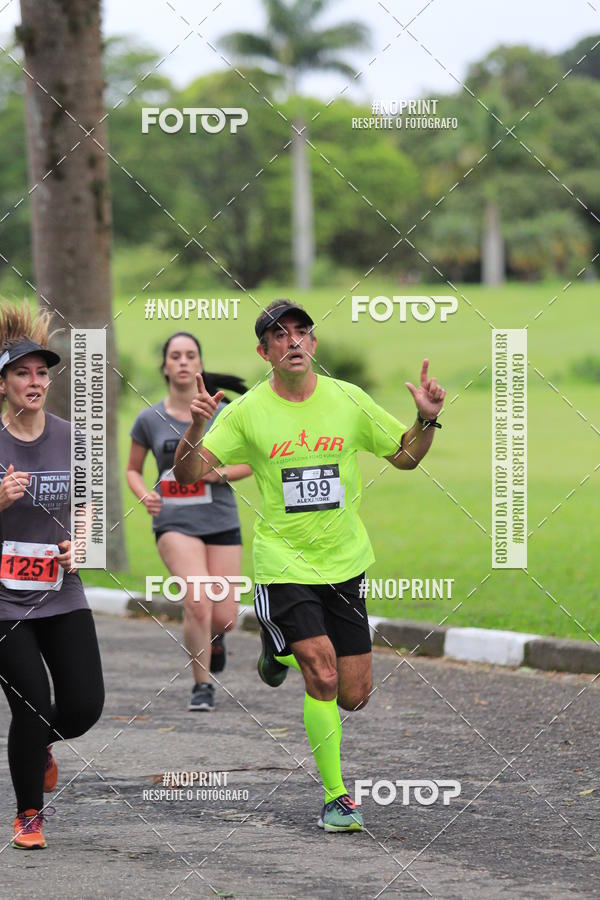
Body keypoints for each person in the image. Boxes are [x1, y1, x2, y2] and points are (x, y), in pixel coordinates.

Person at [173, 299, 446, 832]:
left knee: (354, 695)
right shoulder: (248, 410)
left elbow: (407, 456)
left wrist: (426, 419)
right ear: (264, 351)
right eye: (279, 335)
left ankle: (278, 653)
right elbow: (189, 472)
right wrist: (196, 427)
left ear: (314, 344)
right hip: (284, 564)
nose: (292, 341)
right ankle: (336, 798)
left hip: (346, 562)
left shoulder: (348, 399)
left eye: (301, 332)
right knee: (320, 673)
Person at [0, 301, 104, 850]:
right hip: (2, 602)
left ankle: (36, 743)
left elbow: (90, 512)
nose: (35, 381)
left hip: (61, 592)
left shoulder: (72, 437)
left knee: (85, 706)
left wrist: (80, 545)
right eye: (22, 372)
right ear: (3, 383)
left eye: (42, 372)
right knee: (32, 702)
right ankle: (28, 816)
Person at [127, 332, 252, 712]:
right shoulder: (149, 418)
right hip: (174, 520)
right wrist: (143, 494)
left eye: (190, 355)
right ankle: (202, 686)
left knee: (226, 617)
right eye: (175, 356)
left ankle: (216, 638)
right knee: (198, 601)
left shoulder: (224, 412)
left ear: (200, 364)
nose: (183, 362)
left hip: (220, 517)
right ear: (165, 366)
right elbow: (133, 469)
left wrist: (224, 473)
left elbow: (254, 459)